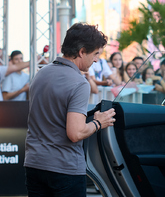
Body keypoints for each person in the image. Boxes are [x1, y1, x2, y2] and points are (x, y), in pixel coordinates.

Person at [24, 23, 116, 197]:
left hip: (34, 164)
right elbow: (75, 133)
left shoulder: (41, 74)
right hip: (64, 168)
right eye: (95, 53)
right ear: (82, 51)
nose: (96, 60)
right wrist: (99, 122)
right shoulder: (79, 83)